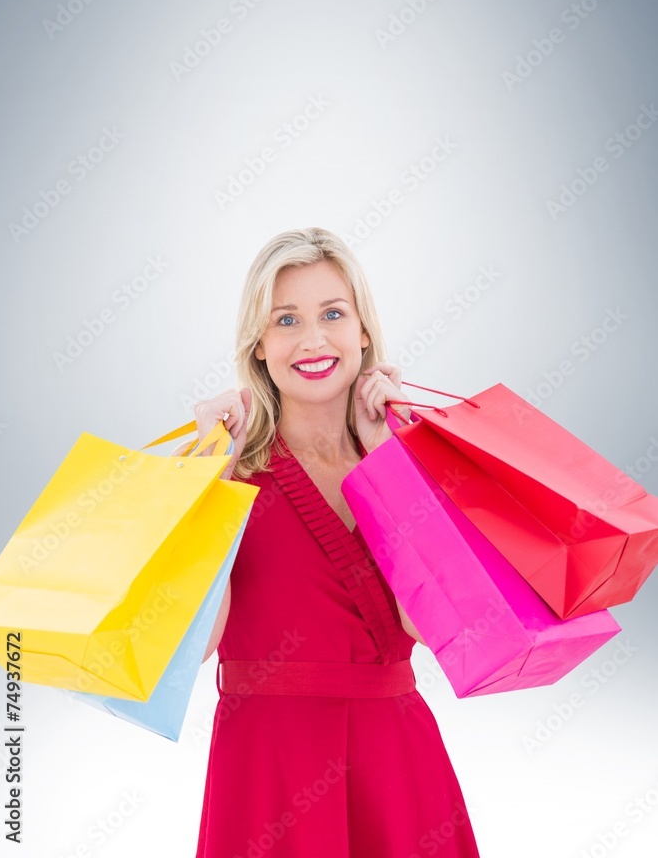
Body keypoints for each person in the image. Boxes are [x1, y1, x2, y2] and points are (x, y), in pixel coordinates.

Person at [183, 227, 480, 857]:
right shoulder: (230, 472)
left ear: (363, 332)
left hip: (395, 761)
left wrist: (388, 465)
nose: (313, 339)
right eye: (286, 319)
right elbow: (197, 645)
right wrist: (210, 482)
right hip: (265, 764)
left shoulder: (405, 461)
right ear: (258, 345)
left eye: (333, 314)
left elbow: (429, 627)